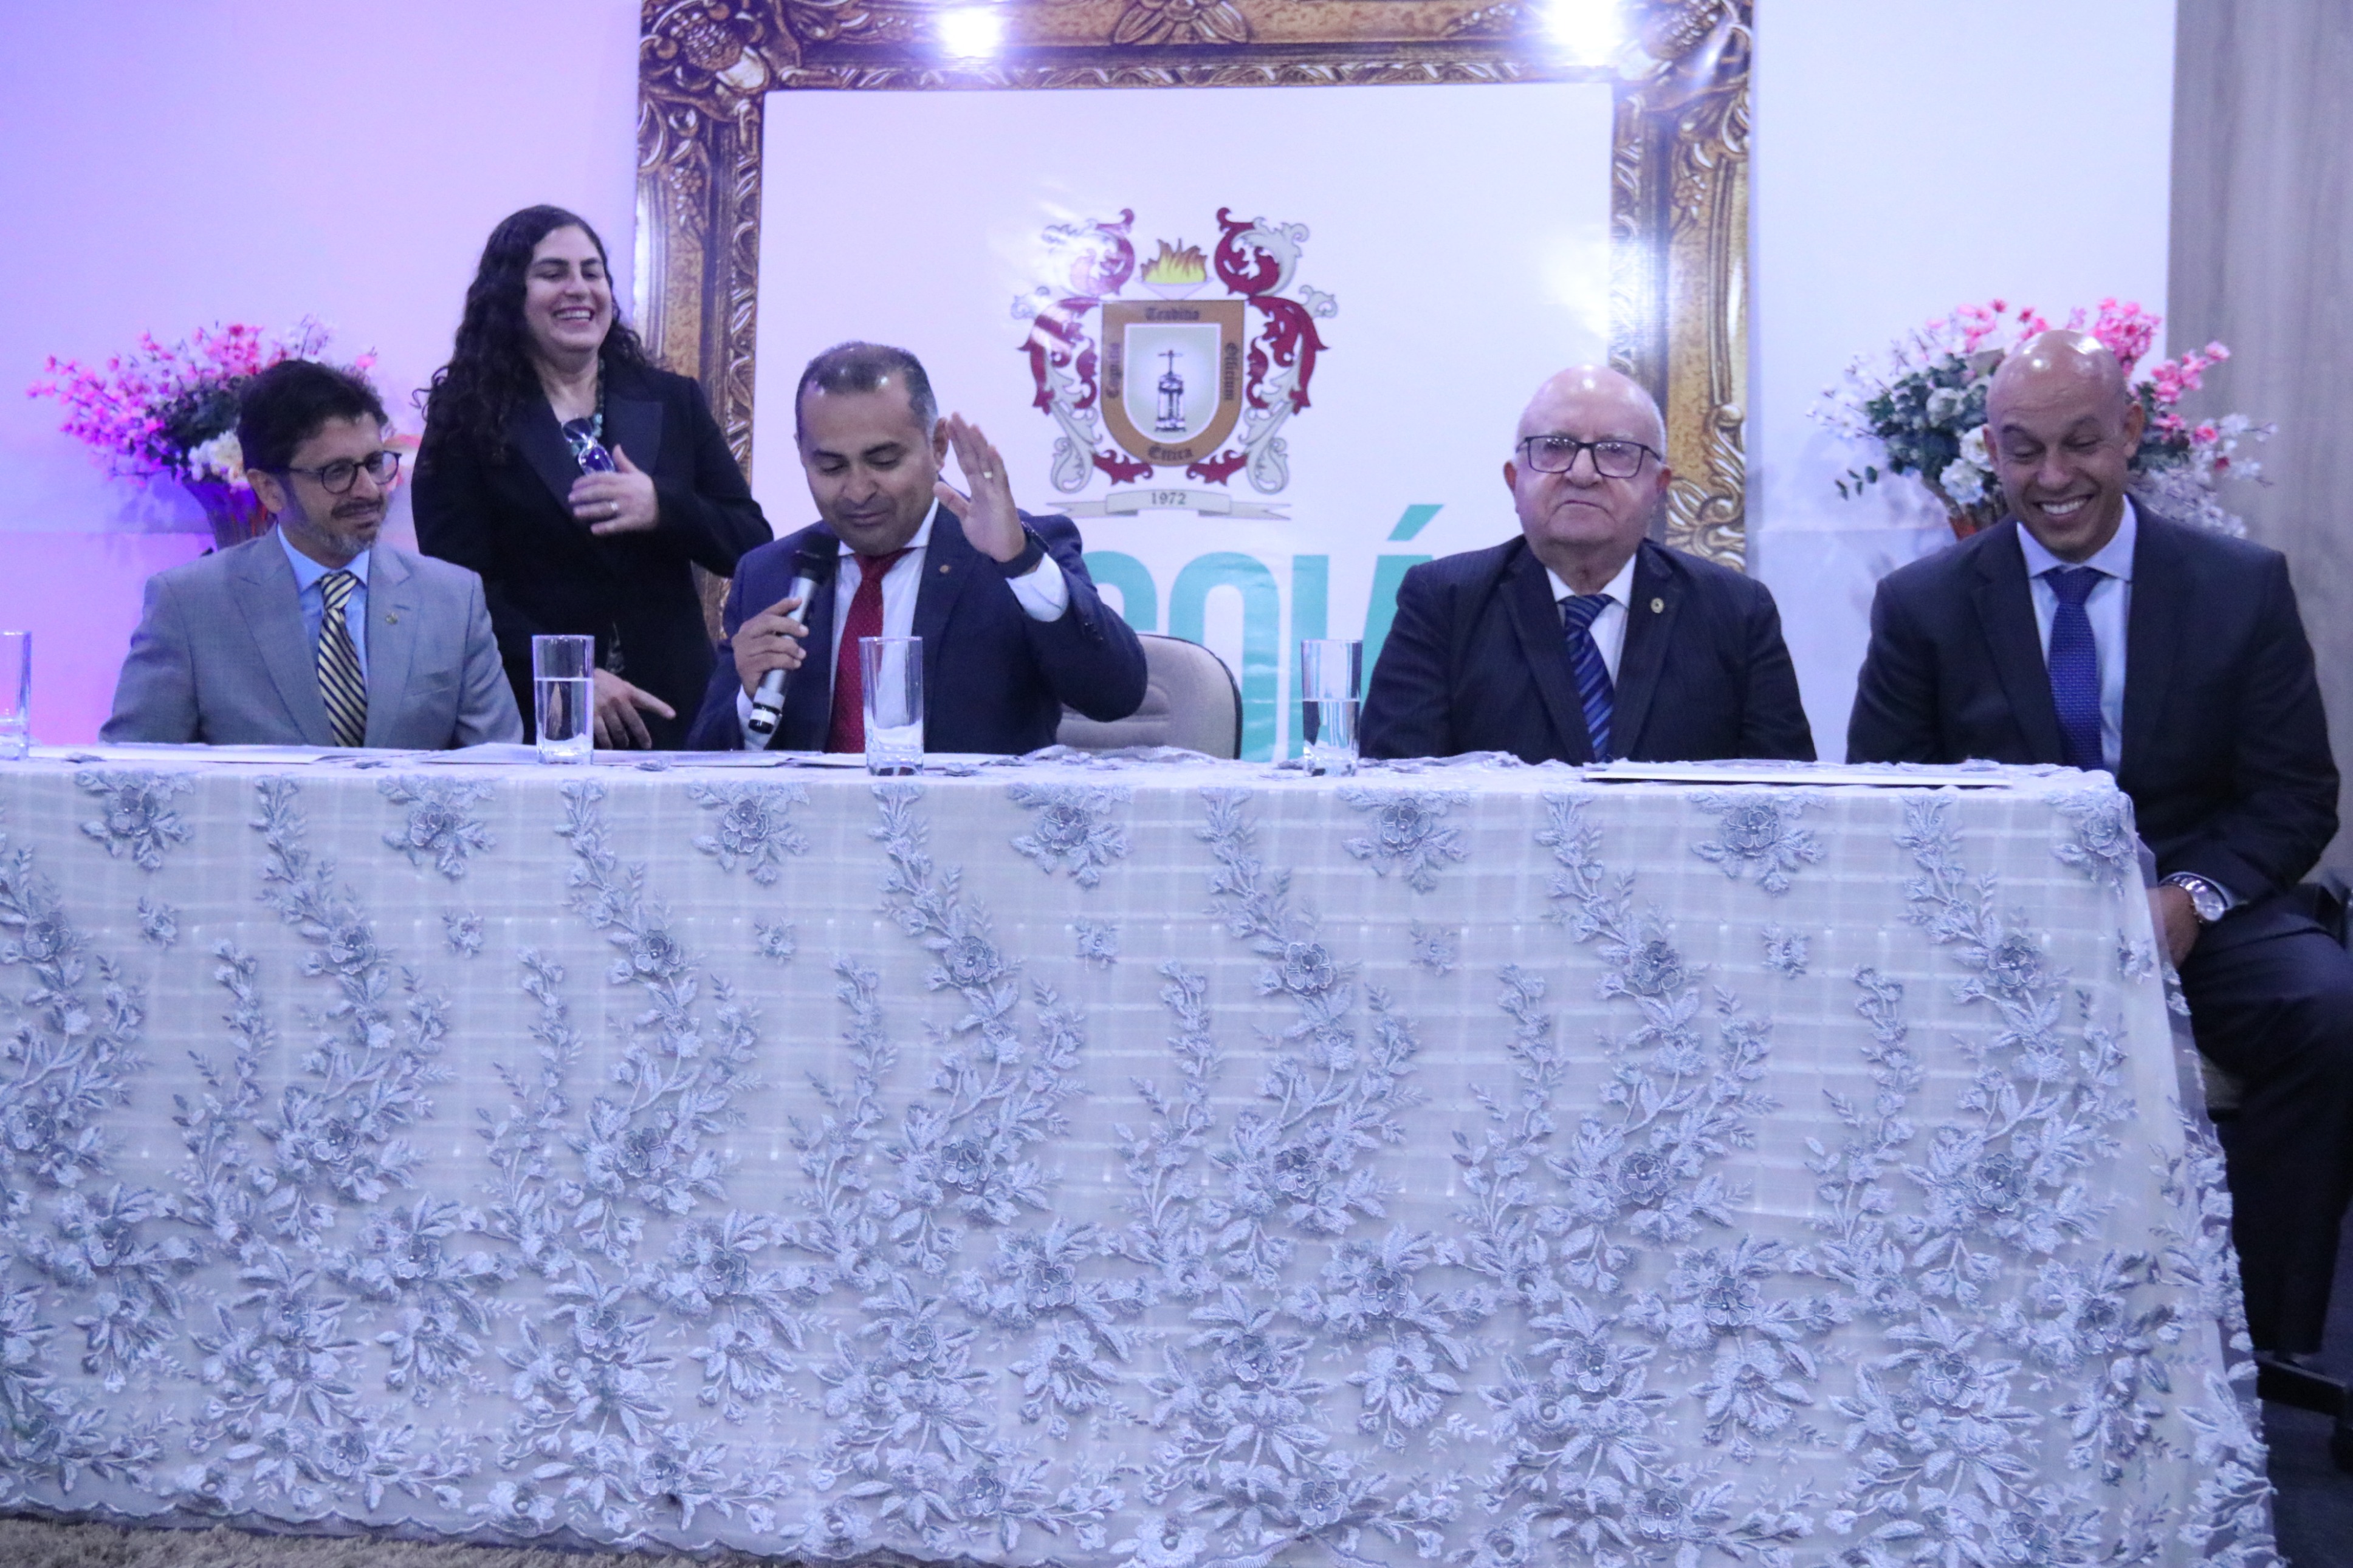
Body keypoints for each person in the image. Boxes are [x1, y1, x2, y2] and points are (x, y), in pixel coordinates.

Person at [1848, 330, 2353, 1360]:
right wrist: (1996, 919)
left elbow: (2296, 793)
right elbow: (1887, 806)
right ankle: (1959, 1332)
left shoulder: (2239, 585)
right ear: (1989, 452)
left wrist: (2193, 896)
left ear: (2130, 430)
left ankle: (2254, 1340)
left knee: (2327, 1013)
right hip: (1999, 930)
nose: (2053, 477)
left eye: (2081, 442)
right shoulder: (1924, 605)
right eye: (2023, 450)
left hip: (2197, 910)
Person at [412, 205, 770, 750]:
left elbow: (750, 542)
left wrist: (662, 506)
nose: (578, 288)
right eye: (553, 273)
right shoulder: (465, 419)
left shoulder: (672, 400)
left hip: (674, 710)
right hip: (537, 710)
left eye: (592, 272)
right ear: (509, 294)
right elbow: (458, 590)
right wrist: (567, 673)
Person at [683, 341, 1146, 753]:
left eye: (884, 461)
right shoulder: (769, 573)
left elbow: (1116, 695)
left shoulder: (1011, 552)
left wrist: (1021, 563)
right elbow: (704, 767)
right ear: (802, 454)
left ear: (938, 445)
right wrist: (747, 699)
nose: (858, 490)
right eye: (831, 467)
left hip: (970, 824)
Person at [1360, 366, 1813, 764]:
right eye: (1555, 447)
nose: (1582, 473)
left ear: (1659, 488)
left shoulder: (1735, 611)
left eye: (1616, 450)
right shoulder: (1444, 601)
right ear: (1514, 481)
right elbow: (1394, 790)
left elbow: (1787, 799)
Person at [103, 361, 520, 748]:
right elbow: (130, 773)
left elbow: (502, 772)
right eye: (336, 472)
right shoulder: (189, 605)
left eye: (375, 463)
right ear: (269, 489)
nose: (368, 490)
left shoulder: (452, 598)